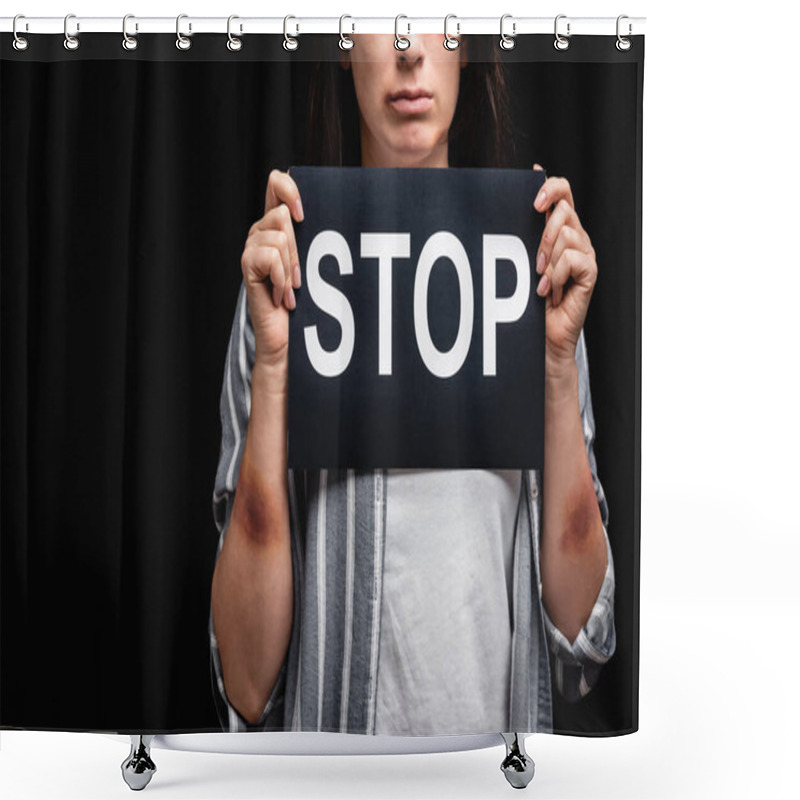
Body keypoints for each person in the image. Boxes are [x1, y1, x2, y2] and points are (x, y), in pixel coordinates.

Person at [209, 33, 616, 736]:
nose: (407, 46)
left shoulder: (529, 276)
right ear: (340, 41)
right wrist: (274, 368)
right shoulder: (284, 290)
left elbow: (582, 642)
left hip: (490, 777)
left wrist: (555, 369)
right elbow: (246, 684)